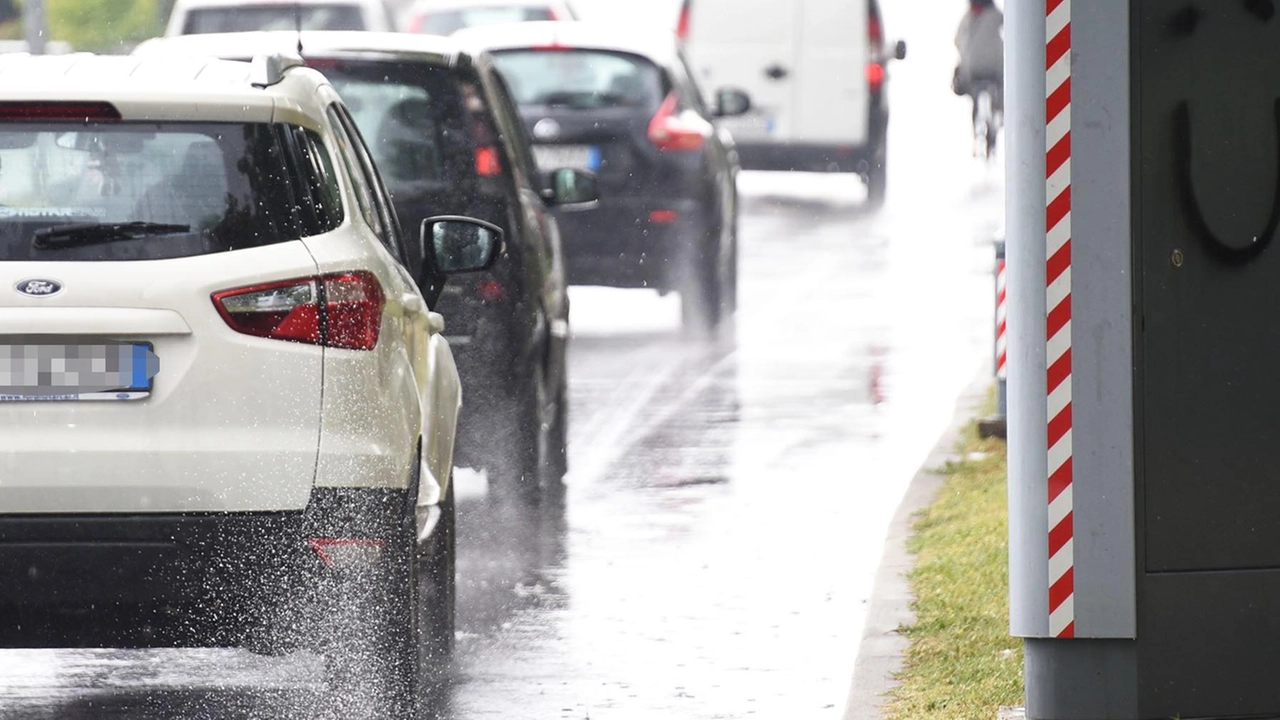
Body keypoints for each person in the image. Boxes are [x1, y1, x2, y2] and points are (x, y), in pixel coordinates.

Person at [954, 0, 1004, 118]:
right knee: (999, 89)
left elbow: (957, 40)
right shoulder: (996, 16)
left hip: (973, 70)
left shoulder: (967, 18)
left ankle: (979, 121)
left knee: (975, 94)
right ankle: (999, 111)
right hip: (994, 67)